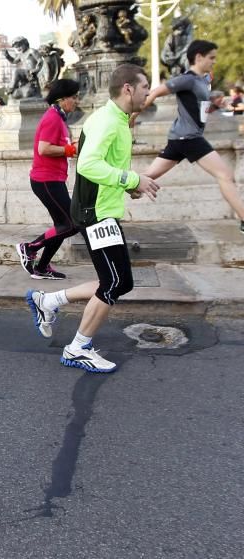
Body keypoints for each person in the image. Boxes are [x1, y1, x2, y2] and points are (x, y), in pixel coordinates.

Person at [26, 64, 161, 372]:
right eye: (144, 87)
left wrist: (129, 187)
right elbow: (87, 165)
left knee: (111, 280)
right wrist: (131, 180)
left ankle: (48, 302)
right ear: (127, 88)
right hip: (96, 214)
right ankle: (77, 348)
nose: (147, 93)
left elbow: (105, 169)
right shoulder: (108, 121)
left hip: (101, 211)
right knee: (116, 282)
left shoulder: (116, 120)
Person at [139, 40, 244, 235]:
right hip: (189, 138)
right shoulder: (187, 79)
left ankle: (114, 187)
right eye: (211, 57)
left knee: (146, 177)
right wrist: (134, 114)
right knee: (226, 176)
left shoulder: (204, 80)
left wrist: (212, 107)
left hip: (180, 138)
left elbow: (197, 108)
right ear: (198, 57)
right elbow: (155, 93)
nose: (214, 61)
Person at [15, 79, 82, 280]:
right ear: (62, 99)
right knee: (71, 224)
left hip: (53, 179)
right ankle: (29, 247)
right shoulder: (53, 118)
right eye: (74, 97)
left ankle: (42, 267)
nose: (77, 101)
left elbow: (59, 145)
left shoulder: (59, 118)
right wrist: (70, 149)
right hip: (46, 180)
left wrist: (76, 145)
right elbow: (43, 148)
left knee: (61, 226)